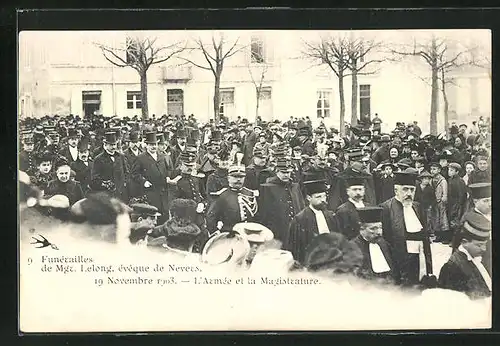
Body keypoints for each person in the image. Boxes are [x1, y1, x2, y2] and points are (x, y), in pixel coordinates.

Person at [380, 171, 434, 287]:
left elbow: (425, 237)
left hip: (419, 257)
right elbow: (386, 240)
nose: (409, 193)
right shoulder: (386, 208)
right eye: (405, 189)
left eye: (412, 190)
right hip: (400, 258)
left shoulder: (417, 207)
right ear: (396, 190)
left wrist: (429, 267)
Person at [438, 211, 491, 300]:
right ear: (464, 242)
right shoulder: (452, 268)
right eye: (479, 245)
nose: (484, 249)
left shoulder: (476, 258)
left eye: (484, 244)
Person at [286, 179, 338, 264]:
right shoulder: (300, 219)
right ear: (309, 198)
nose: (322, 200)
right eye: (318, 197)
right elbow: (295, 248)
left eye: (324, 196)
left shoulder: (330, 215)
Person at [257, 158, 305, 246]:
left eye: (288, 172)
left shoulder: (295, 187)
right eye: (283, 172)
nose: (286, 175)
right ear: (277, 172)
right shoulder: (268, 188)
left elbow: (301, 206)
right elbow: (264, 213)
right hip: (278, 230)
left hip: (295, 229)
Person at [205, 161, 259, 234]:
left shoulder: (250, 194)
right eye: (235, 177)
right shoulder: (221, 196)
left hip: (248, 235)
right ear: (228, 178)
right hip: (230, 236)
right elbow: (211, 218)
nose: (238, 179)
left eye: (241, 177)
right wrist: (216, 234)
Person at [131, 132, 172, 224]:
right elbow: (134, 174)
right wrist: (144, 181)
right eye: (151, 145)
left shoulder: (162, 156)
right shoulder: (140, 158)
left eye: (155, 144)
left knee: (165, 215)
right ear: (146, 145)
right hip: (150, 193)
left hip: (163, 193)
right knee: (154, 215)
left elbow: (168, 169)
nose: (154, 147)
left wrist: (168, 177)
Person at [352, 207, 396, 284]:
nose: (379, 232)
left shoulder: (384, 244)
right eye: (373, 229)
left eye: (380, 227)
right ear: (362, 229)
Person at [91, 131, 129, 202]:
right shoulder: (98, 159)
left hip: (121, 194)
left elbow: (126, 172)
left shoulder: (121, 157)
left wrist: (124, 184)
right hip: (106, 195)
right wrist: (105, 184)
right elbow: (94, 179)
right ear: (105, 145)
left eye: (115, 144)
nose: (114, 147)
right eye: (111, 145)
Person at [429, 161, 450, 243]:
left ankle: (445, 236)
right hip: (434, 201)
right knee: (435, 218)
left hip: (441, 201)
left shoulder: (442, 180)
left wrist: (444, 197)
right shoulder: (431, 179)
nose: (432, 171)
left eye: (434, 169)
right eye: (431, 169)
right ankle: (438, 235)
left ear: (439, 170)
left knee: (443, 218)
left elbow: (445, 192)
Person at [447, 162, 468, 243]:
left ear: (457, 172)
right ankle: (451, 238)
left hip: (457, 204)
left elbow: (461, 195)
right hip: (451, 203)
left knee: (456, 222)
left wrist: (458, 206)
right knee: (451, 221)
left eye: (452, 170)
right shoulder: (450, 179)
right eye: (449, 170)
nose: (449, 171)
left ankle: (455, 240)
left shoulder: (460, 181)